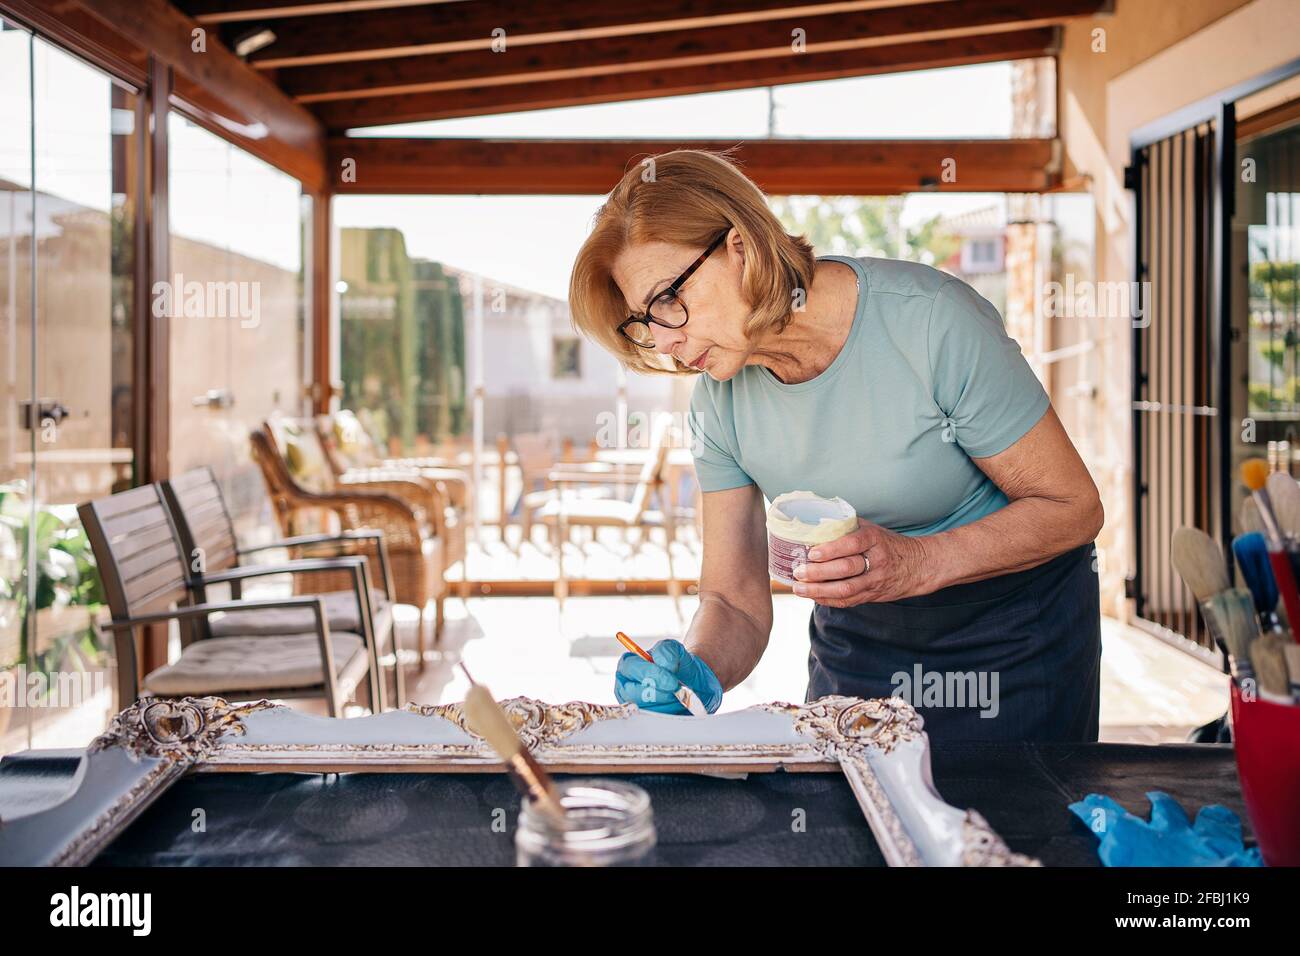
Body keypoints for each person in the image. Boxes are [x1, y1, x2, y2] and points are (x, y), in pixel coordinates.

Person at [567, 150, 1103, 742]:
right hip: (858, 648)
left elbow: (1073, 507)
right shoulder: (719, 403)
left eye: (668, 299)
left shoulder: (931, 323)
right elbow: (734, 599)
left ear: (740, 246)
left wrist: (916, 562)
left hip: (1014, 641)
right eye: (643, 321)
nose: (664, 341)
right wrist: (696, 670)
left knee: (1018, 828)